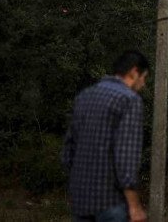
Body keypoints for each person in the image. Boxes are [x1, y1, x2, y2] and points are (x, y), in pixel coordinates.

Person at [62, 50, 150, 222]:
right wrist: (134, 206)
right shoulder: (129, 100)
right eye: (144, 77)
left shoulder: (84, 97)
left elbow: (68, 152)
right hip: (111, 201)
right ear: (134, 72)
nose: (144, 84)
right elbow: (125, 158)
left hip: (81, 199)